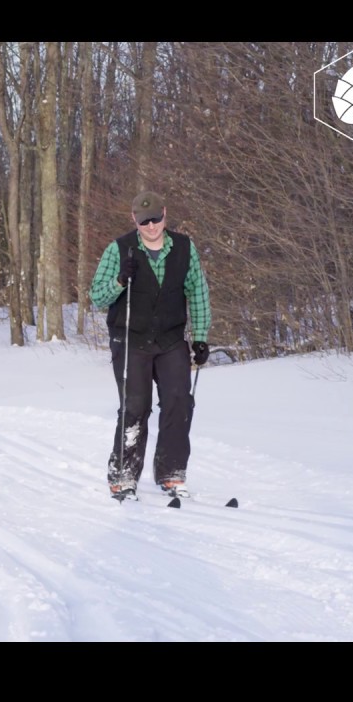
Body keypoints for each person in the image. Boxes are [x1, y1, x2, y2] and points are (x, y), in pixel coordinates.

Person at [89, 190, 211, 499]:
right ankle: (123, 475)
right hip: (131, 338)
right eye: (144, 221)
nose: (151, 226)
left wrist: (200, 337)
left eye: (156, 219)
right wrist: (119, 280)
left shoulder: (184, 248)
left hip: (170, 337)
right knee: (135, 406)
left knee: (179, 400)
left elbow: (197, 291)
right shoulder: (120, 250)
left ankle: (171, 472)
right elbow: (97, 296)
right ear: (135, 220)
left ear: (165, 214)